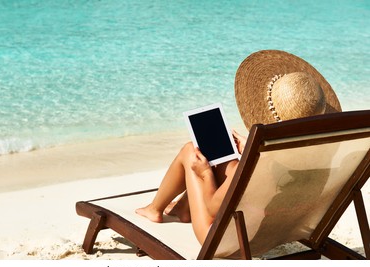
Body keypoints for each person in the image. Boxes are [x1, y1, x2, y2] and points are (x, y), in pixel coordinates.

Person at [136, 50, 342, 245]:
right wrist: (249, 151)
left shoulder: (261, 163)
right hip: (269, 232)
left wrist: (205, 174)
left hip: (224, 238)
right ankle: (183, 208)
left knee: (192, 151)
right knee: (230, 161)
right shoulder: (308, 162)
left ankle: (155, 209)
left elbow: (212, 206)